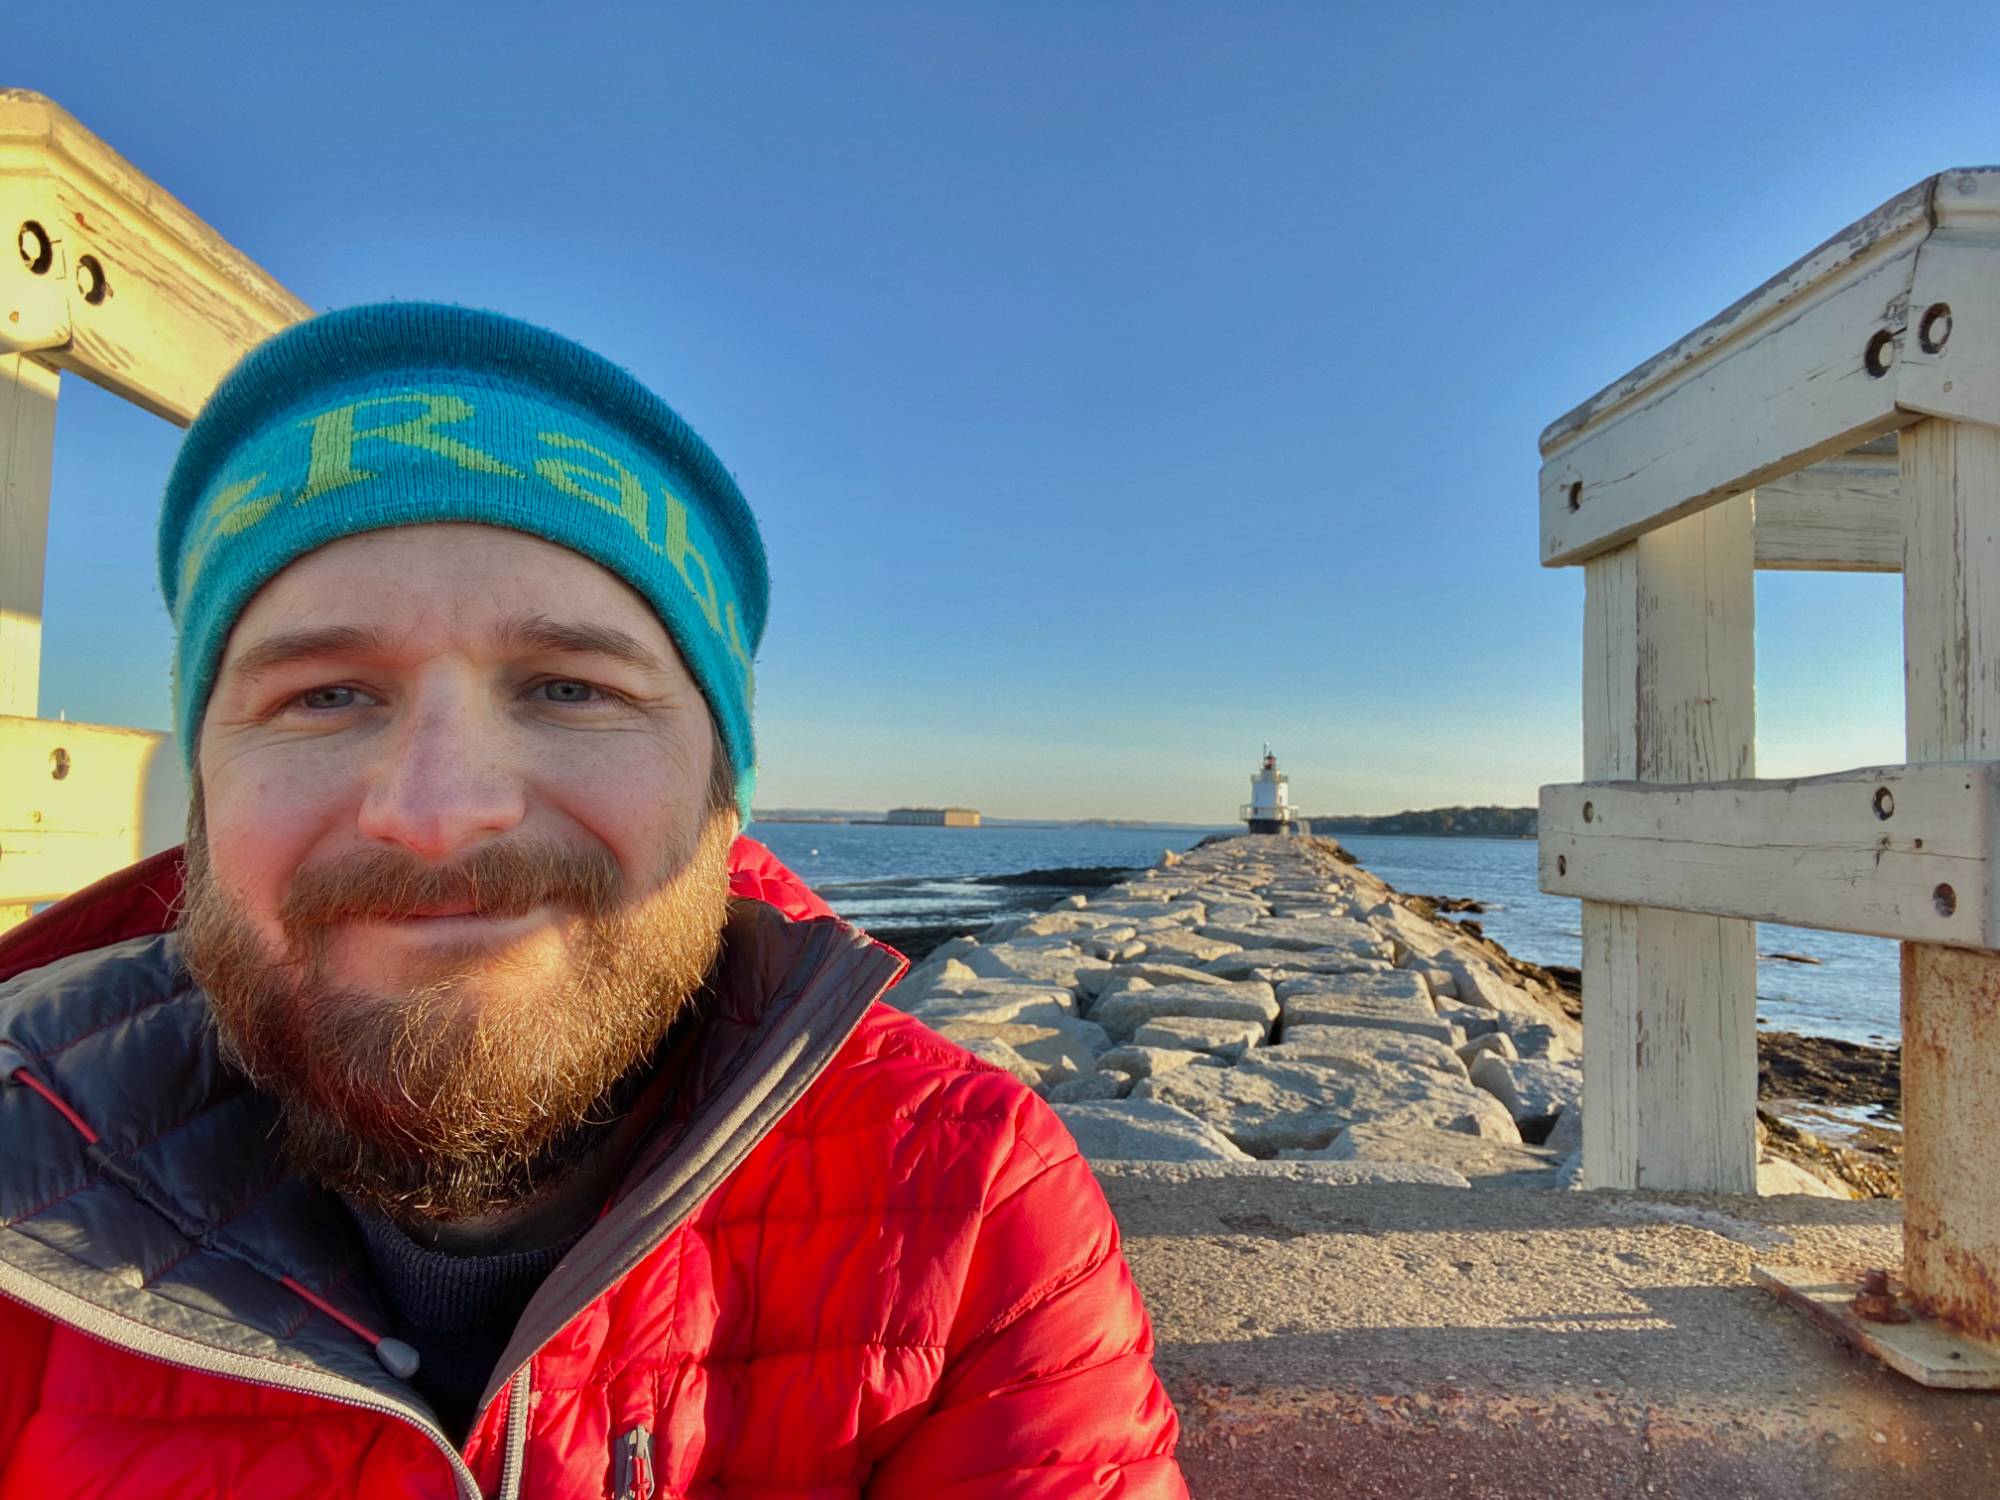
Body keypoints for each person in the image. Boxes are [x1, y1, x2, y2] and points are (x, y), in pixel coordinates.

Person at [0, 303, 1185, 1498]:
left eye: (568, 688)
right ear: (200, 794)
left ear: (725, 800)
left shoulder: (966, 1205)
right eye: (324, 696)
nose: (439, 809)